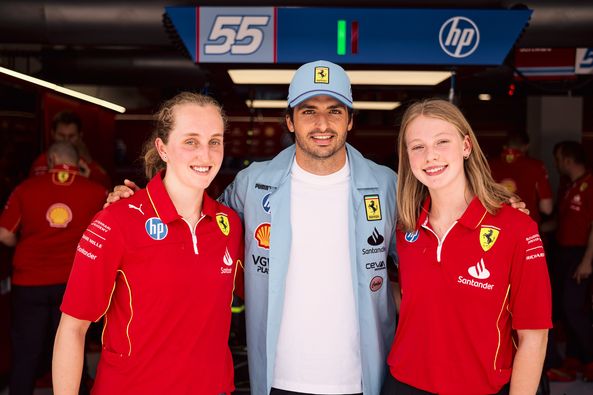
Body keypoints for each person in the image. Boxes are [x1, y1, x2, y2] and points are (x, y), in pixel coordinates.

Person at [52, 92, 244, 394]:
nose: (205, 155)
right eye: (190, 141)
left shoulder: (230, 225)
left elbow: (270, 296)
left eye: (214, 141)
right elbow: (73, 328)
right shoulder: (116, 221)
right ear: (162, 148)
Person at [383, 99, 551, 395]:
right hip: (404, 384)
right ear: (407, 156)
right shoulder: (404, 225)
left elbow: (534, 336)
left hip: (480, 388)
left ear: (466, 146)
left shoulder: (516, 228)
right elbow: (408, 296)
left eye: (442, 142)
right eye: (417, 146)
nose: (430, 156)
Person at [0, 141, 106, 395]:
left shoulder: (25, 189)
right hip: (73, 283)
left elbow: (4, 233)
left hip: (29, 283)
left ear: (49, 161)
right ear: (79, 162)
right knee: (73, 347)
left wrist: (23, 240)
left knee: (26, 352)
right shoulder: (97, 191)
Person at [546, 141, 593, 381]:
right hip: (561, 253)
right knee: (559, 309)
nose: (555, 163)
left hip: (581, 254)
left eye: (557, 158)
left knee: (573, 307)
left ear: (566, 158)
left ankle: (589, 358)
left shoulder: (590, 183)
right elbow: (558, 222)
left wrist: (587, 261)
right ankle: (573, 361)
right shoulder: (567, 185)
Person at [30, 110, 112, 189]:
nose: (66, 140)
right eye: (61, 135)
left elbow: (106, 189)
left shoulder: (87, 165)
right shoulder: (40, 163)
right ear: (53, 134)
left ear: (80, 135)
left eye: (71, 136)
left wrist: (89, 163)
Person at [489, 131, 553, 225]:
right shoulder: (536, 166)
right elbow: (547, 209)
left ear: (505, 146)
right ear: (526, 146)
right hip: (526, 226)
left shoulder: (488, 165)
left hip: (495, 227)